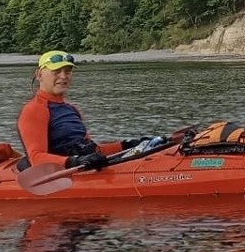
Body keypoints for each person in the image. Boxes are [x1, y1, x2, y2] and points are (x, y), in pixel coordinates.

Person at [16, 50, 149, 171]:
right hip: (59, 172)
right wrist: (76, 161)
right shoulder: (34, 110)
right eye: (56, 71)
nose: (63, 76)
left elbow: (91, 149)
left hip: (79, 165)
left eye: (67, 71)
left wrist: (128, 145)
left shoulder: (71, 109)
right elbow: (36, 158)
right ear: (39, 75)